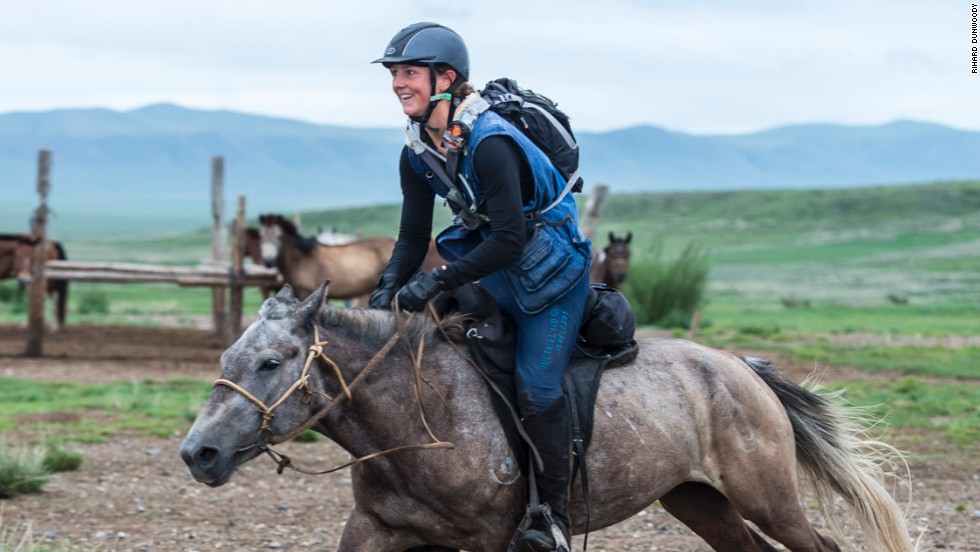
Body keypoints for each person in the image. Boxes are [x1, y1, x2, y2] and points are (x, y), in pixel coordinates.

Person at [368, 22, 592, 552]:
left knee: (537, 389)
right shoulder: (417, 148)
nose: (399, 84)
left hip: (551, 277)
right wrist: (388, 288)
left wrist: (435, 281)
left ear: (445, 78)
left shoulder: (490, 142)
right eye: (395, 74)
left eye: (410, 73)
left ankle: (552, 521)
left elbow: (512, 239)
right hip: (490, 269)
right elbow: (411, 234)